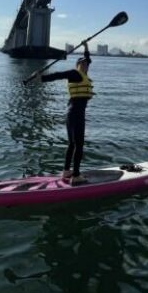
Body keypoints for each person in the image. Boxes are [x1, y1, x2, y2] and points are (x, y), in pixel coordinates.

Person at [41, 41, 94, 185]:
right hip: (76, 114)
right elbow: (59, 75)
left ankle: (66, 171)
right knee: (79, 145)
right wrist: (42, 78)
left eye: (86, 64)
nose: (85, 65)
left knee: (72, 144)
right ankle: (76, 176)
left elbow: (88, 59)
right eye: (82, 63)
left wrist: (86, 47)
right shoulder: (75, 74)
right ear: (77, 65)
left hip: (72, 113)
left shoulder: (83, 73)